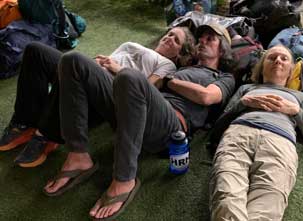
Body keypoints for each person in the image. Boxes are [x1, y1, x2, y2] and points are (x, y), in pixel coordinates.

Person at [42, 23, 235, 220]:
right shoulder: (181, 66)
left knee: (129, 76)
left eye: (210, 38)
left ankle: (125, 179)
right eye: (201, 38)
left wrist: (169, 81)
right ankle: (78, 156)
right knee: (73, 60)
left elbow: (206, 97)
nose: (202, 41)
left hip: (168, 127)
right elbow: (150, 82)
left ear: (223, 49)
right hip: (133, 111)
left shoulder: (224, 77)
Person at [0, 26, 196, 168]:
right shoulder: (133, 44)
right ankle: (25, 122)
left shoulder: (167, 65)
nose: (169, 38)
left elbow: (146, 89)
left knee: (74, 65)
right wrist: (95, 64)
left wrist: (116, 68)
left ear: (180, 54)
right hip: (95, 73)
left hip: (114, 89)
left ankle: (46, 135)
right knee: (36, 50)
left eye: (176, 40)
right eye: (170, 33)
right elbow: (107, 59)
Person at [209, 45, 303, 221]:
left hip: (279, 141)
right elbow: (217, 129)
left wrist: (295, 111)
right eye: (272, 57)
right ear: (262, 67)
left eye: (284, 58)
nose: (278, 60)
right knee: (226, 198)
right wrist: (243, 104)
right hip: (239, 134)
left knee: (269, 204)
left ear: (290, 71)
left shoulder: (299, 97)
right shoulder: (247, 88)